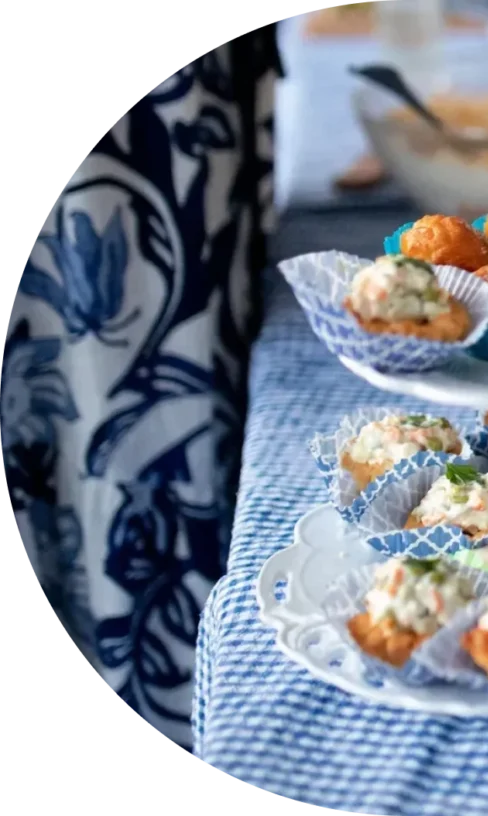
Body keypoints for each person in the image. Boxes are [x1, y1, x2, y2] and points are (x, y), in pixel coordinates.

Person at [4, 24, 280, 749]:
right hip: (129, 158)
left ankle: (186, 689)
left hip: (191, 121)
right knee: (112, 425)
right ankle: (161, 696)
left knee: (192, 405)